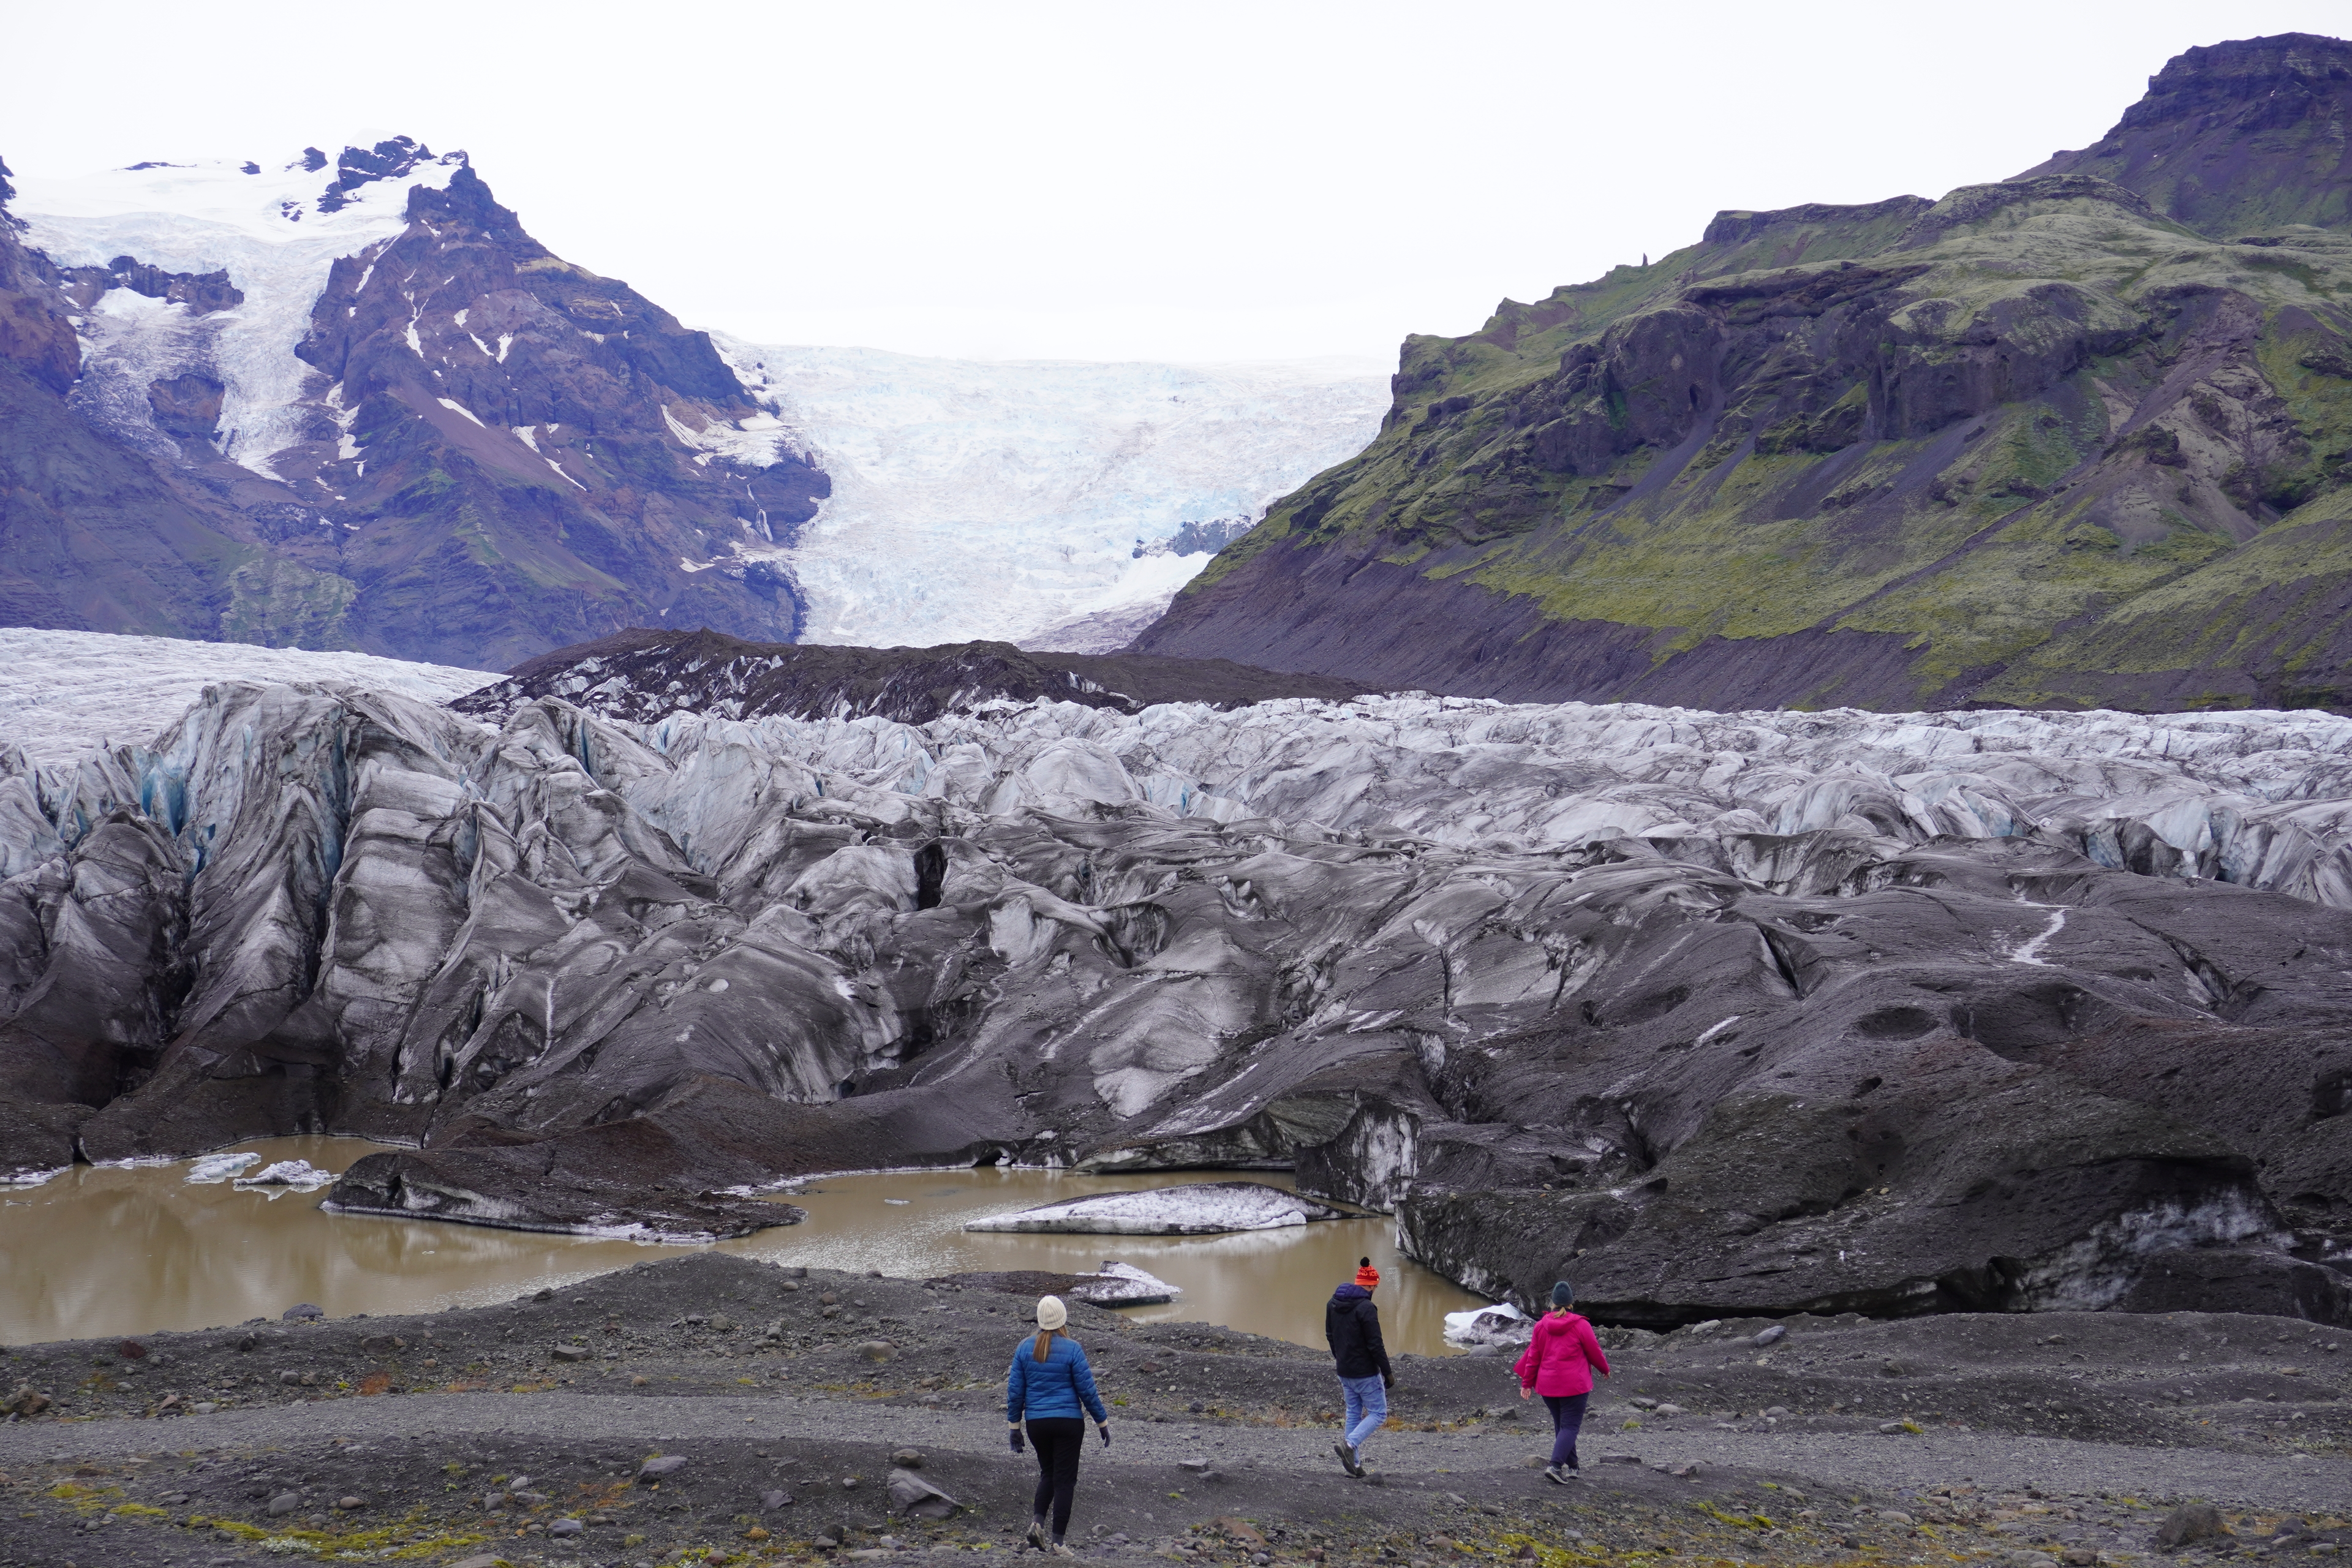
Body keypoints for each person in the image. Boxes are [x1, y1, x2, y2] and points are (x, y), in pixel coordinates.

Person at [1005, 1294, 1110, 1554]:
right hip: (1068, 1423)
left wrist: (1014, 1428)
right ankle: (1058, 1543)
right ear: (1063, 1319)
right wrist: (1102, 1422)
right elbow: (1087, 1391)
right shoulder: (1072, 1348)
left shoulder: (1023, 1348)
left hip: (1037, 1424)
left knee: (1048, 1473)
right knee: (1064, 1481)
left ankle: (1036, 1525)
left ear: (1039, 1319)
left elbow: (1015, 1392)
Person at [1513, 1280, 1610, 1483]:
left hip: (1548, 1387)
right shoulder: (1581, 1325)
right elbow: (1594, 1351)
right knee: (1570, 1427)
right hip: (1575, 1386)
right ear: (1571, 1304)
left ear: (1553, 1304)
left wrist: (1527, 1384)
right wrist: (1604, 1369)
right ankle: (1555, 1466)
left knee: (1562, 1426)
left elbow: (1533, 1357)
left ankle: (1573, 1467)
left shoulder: (1540, 1326)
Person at [1324, 1257, 1393, 1477]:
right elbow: (1375, 1344)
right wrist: (1387, 1371)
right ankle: (1350, 1445)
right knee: (1379, 1414)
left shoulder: (1332, 1303)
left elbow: (1330, 1335)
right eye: (1376, 1286)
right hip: (1365, 1372)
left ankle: (1354, 1466)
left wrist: (1340, 1358)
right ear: (1371, 1285)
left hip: (1344, 1370)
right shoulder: (1366, 1308)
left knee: (1353, 1411)